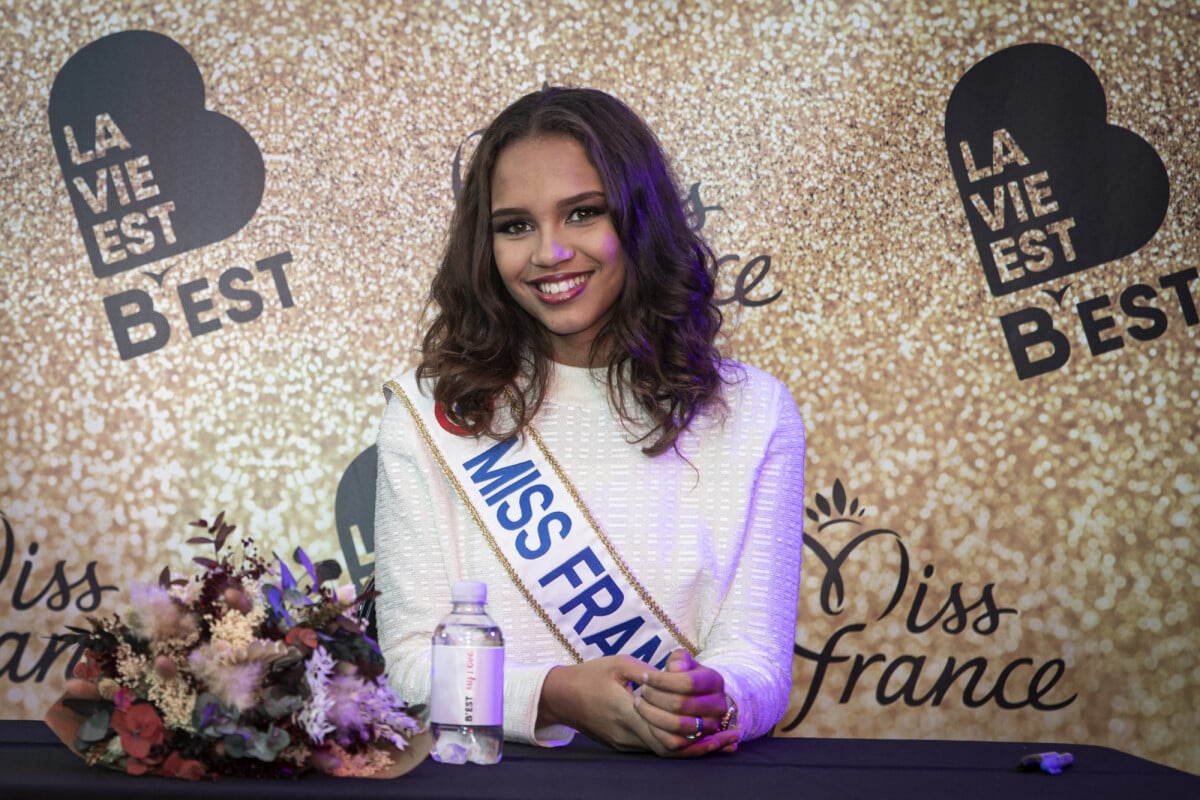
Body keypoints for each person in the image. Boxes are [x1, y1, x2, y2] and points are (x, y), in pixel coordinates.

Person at [373, 86, 805, 758]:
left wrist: (716, 700)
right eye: (515, 226)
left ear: (640, 220)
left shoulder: (753, 411)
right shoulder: (435, 410)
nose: (548, 252)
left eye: (582, 213)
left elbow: (761, 665)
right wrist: (556, 695)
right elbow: (407, 671)